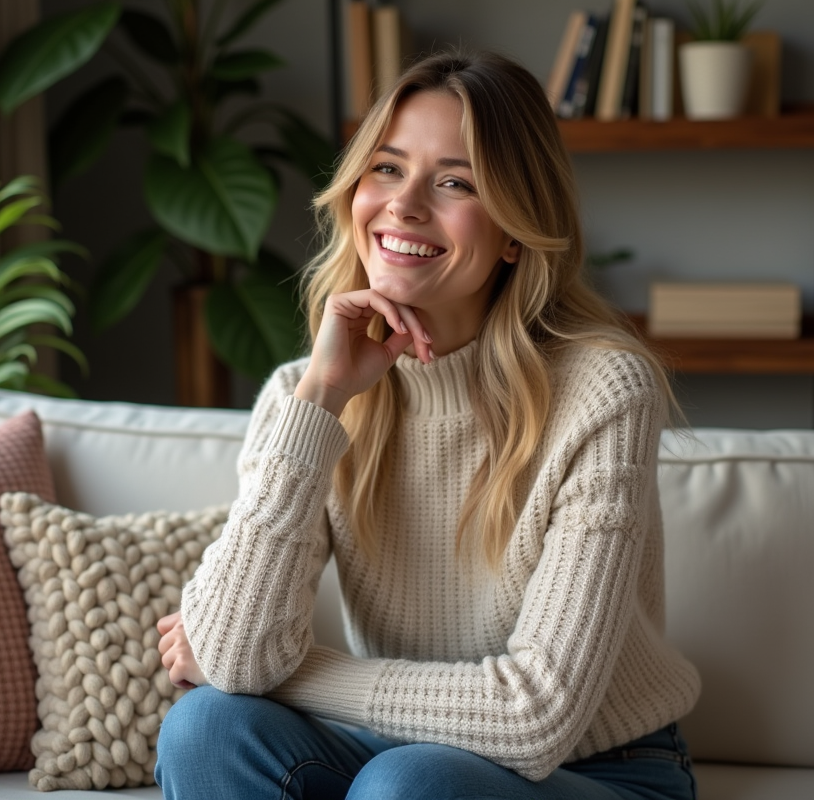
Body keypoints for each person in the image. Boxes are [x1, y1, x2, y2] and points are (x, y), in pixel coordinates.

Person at [153, 49, 702, 800]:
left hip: (600, 768)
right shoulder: (308, 393)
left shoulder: (603, 391)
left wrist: (295, 668)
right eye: (385, 168)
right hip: (395, 746)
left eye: (454, 182)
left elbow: (535, 716)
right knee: (205, 730)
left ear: (515, 231)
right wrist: (318, 400)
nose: (404, 205)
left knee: (409, 784)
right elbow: (235, 659)